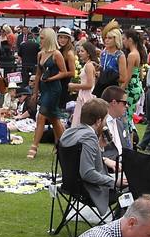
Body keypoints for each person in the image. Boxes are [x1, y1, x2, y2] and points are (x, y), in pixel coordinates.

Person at [57, 97, 116, 219]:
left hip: (70, 185)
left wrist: (100, 147)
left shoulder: (69, 132)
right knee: (133, 184)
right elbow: (87, 173)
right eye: (105, 119)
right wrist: (113, 182)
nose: (106, 123)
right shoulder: (89, 137)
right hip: (88, 190)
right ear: (98, 121)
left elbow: (78, 160)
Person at [27, 28, 71, 159]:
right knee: (54, 118)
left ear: (48, 39)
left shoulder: (57, 54)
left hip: (54, 89)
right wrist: (35, 92)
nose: (39, 40)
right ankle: (63, 145)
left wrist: (51, 78)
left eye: (42, 38)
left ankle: (34, 146)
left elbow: (64, 72)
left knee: (42, 115)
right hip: (44, 88)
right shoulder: (40, 54)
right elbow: (38, 74)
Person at [69, 40, 99, 128]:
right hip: (83, 94)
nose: (80, 53)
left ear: (88, 53)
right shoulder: (88, 65)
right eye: (79, 51)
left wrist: (74, 86)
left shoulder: (89, 66)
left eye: (82, 51)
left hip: (86, 96)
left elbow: (89, 85)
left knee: (82, 121)